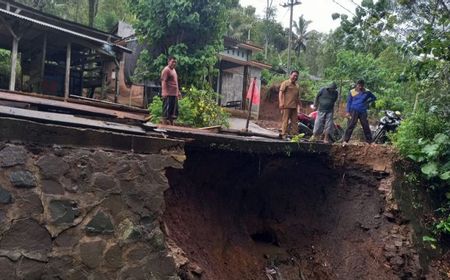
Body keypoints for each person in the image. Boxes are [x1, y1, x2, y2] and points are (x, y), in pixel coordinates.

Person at [342, 79, 376, 146]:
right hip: (353, 110)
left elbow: (374, 98)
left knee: (365, 125)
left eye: (361, 86)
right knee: (351, 125)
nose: (360, 87)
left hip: (363, 111)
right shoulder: (353, 91)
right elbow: (349, 102)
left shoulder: (367, 92)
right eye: (359, 86)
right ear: (356, 85)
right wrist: (347, 112)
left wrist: (367, 102)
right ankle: (345, 141)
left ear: (363, 85)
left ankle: (370, 141)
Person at [279, 70, 301, 139]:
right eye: (294, 75)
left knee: (295, 122)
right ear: (290, 75)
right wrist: (281, 103)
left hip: (294, 107)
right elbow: (281, 93)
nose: (295, 77)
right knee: (285, 121)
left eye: (296, 76)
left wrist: (299, 106)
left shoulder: (297, 86)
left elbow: (297, 97)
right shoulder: (285, 83)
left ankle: (294, 136)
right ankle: (283, 135)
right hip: (286, 106)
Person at [160, 56, 182, 125]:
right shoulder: (166, 70)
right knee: (166, 113)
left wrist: (178, 92)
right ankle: (164, 126)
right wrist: (164, 93)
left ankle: (172, 127)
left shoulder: (174, 70)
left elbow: (175, 82)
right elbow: (163, 81)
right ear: (168, 61)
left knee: (173, 114)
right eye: (173, 62)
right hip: (168, 94)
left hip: (174, 95)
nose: (174, 63)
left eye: (175, 62)